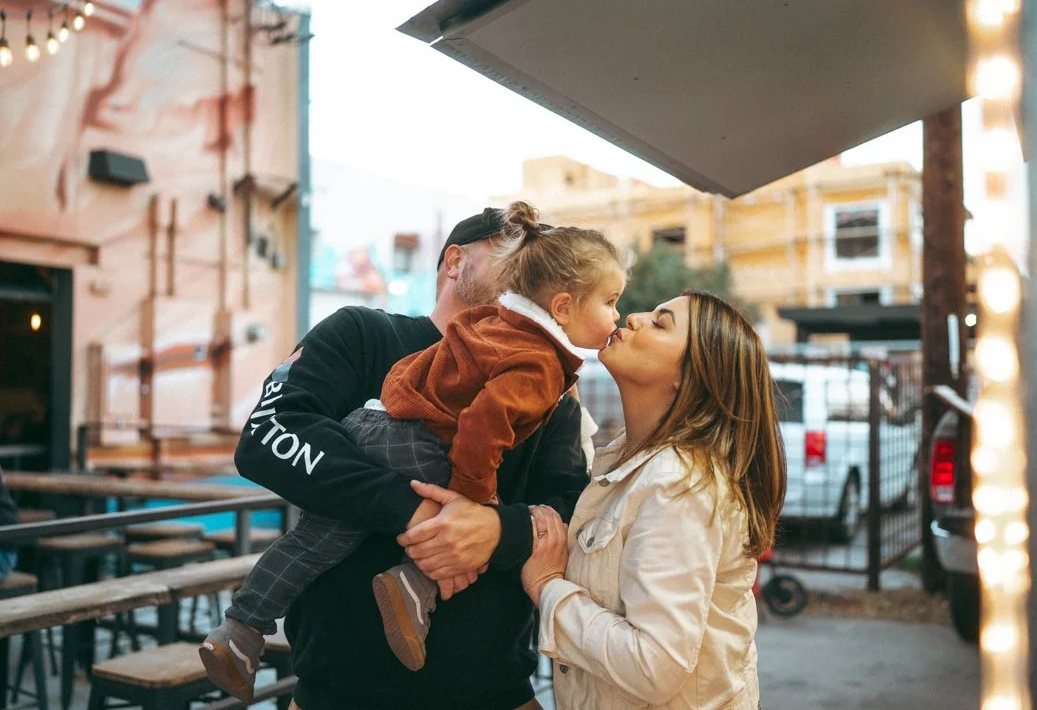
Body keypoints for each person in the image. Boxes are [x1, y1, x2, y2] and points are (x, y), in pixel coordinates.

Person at [201, 202, 625, 699]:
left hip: (492, 686)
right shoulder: (361, 332)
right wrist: (415, 511)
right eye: (511, 247)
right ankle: (245, 623)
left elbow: (571, 510)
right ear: (454, 261)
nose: (528, 263)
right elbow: (266, 437)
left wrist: (493, 530)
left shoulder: (553, 387)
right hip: (338, 686)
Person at [519, 291, 787, 710]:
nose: (635, 318)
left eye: (661, 323)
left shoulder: (679, 485)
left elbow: (655, 666)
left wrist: (547, 587)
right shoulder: (634, 464)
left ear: (693, 376)